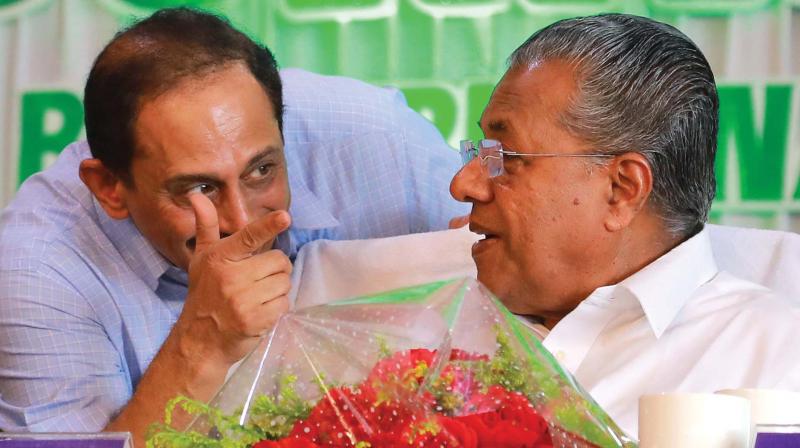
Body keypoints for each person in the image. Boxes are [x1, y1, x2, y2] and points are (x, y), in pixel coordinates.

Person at [0, 7, 466, 444]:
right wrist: (200, 342)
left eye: (262, 170)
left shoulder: (377, 142)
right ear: (109, 188)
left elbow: (526, 297)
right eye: (197, 188)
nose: (241, 222)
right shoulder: (37, 269)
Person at [450, 13, 800, 437]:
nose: (464, 184)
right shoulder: (427, 319)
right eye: (479, 151)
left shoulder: (775, 364)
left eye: (504, 156)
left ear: (622, 189)